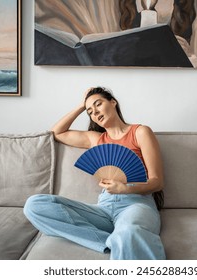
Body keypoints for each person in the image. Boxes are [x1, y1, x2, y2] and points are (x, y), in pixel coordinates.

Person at [24, 86, 166, 260]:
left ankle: (120, 238)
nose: (95, 112)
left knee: (128, 232)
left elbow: (157, 182)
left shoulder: (140, 132)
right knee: (34, 205)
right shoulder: (96, 139)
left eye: (98, 104)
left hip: (136, 203)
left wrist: (125, 189)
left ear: (113, 102)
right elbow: (56, 133)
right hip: (104, 209)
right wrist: (81, 106)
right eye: (90, 111)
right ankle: (108, 241)